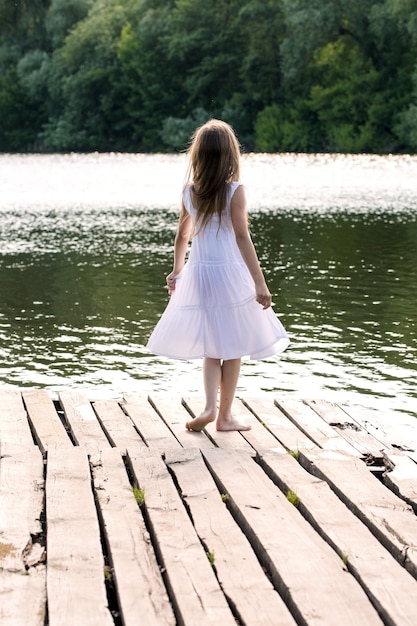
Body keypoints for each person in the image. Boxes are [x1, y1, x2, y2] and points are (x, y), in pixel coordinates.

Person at [147, 119, 289, 432]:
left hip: (199, 275)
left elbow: (182, 236)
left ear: (198, 157)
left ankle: (209, 406)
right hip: (230, 275)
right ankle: (224, 417)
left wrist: (177, 271)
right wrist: (260, 282)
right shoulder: (235, 192)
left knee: (211, 347)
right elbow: (242, 238)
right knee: (234, 346)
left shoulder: (189, 192)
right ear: (230, 156)